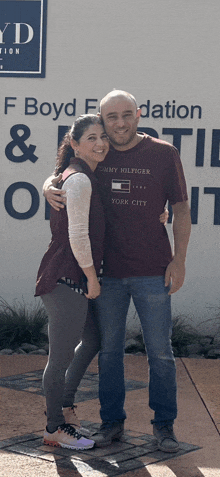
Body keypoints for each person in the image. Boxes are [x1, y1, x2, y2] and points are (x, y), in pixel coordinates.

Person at [43, 90, 191, 452]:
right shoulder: (99, 154)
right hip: (106, 273)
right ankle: (111, 424)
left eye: (127, 114)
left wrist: (179, 260)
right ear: (102, 121)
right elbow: (68, 173)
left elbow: (182, 210)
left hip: (153, 269)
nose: (120, 123)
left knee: (160, 352)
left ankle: (164, 427)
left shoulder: (163, 153)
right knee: (109, 352)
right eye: (112, 118)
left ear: (139, 115)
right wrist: (47, 184)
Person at [35, 114, 109, 450]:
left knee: (92, 340)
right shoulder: (79, 179)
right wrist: (92, 278)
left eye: (103, 137)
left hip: (70, 277)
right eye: (91, 138)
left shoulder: (78, 175)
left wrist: (48, 182)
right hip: (65, 279)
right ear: (75, 144)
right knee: (61, 356)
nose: (100, 143)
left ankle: (64, 406)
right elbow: (77, 235)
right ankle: (54, 427)